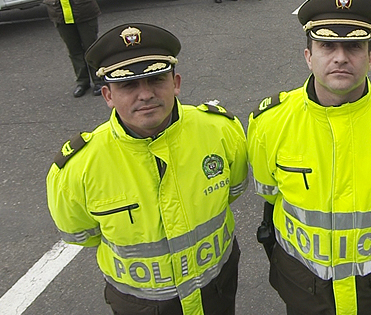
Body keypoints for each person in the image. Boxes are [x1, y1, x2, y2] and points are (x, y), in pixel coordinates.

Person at [247, 0, 371, 315]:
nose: (341, 57)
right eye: (327, 45)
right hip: (304, 284)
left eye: (354, 47)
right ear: (308, 56)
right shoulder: (269, 123)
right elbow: (269, 190)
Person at [46, 23, 249, 315]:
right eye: (128, 84)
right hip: (140, 303)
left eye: (155, 79)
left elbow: (233, 189)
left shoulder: (221, 130)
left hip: (216, 285)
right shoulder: (77, 168)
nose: (145, 94)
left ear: (176, 82)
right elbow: (81, 233)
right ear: (107, 95)